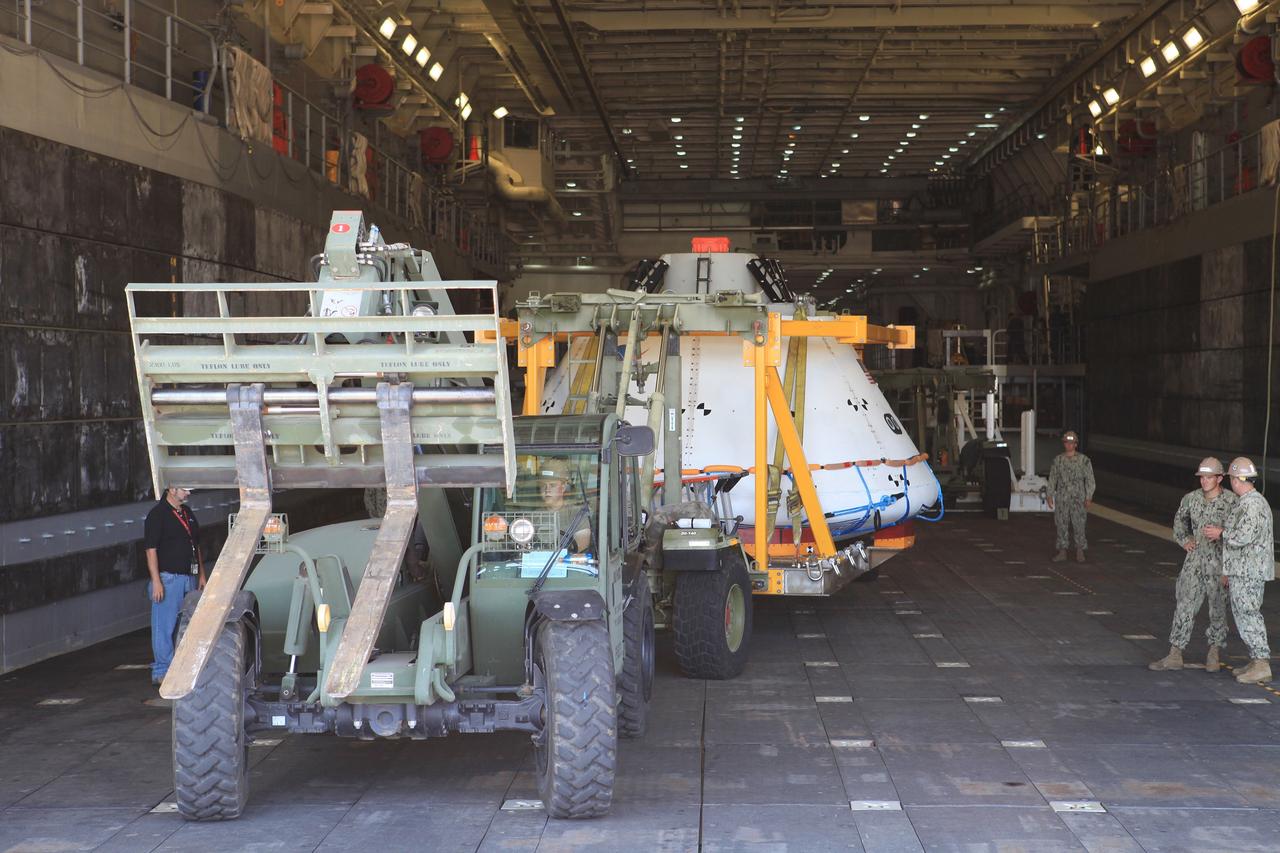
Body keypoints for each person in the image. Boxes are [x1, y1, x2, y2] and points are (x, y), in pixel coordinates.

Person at [1149, 458, 1236, 672]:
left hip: (1219, 564)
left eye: (1209, 477)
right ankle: (1175, 653)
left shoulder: (1233, 502)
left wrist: (1230, 569)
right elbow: (1179, 521)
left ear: (1219, 478)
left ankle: (1214, 652)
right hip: (1195, 561)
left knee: (1218, 609)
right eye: (1202, 477)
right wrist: (1185, 539)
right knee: (1185, 604)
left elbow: (1239, 536)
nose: (1204, 481)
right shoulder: (1191, 499)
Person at [1204, 457, 1274, 684]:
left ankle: (1262, 663)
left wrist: (1221, 533)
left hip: (1249, 571)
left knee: (1249, 613)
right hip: (1242, 570)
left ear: (1237, 479)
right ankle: (1256, 661)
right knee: (1244, 613)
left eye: (1233, 478)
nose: (1232, 482)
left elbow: (1243, 536)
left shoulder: (1252, 505)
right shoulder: (1247, 502)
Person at [144, 486, 206, 686]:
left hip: (190, 577)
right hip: (168, 579)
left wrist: (202, 576)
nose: (188, 493)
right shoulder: (157, 515)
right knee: (164, 626)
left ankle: (184, 668)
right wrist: (156, 581)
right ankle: (162, 670)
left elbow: (196, 546)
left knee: (188, 626)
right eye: (184, 490)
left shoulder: (186, 513)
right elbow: (151, 549)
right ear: (171, 489)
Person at [1047, 430, 1095, 562]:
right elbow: (1053, 478)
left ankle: (1080, 551)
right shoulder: (1058, 461)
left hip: (1078, 498)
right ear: (1064, 444)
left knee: (1079, 524)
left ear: (1076, 444)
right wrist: (1050, 494)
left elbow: (1090, 479)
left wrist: (1088, 496)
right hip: (1062, 498)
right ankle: (1062, 551)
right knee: (1061, 524)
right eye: (1067, 443)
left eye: (1071, 443)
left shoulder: (1084, 461)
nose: (1069, 445)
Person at [538, 458, 592, 553]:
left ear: (563, 487)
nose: (547, 490)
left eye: (553, 485)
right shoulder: (531, 518)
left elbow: (580, 546)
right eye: (543, 485)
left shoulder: (578, 515)